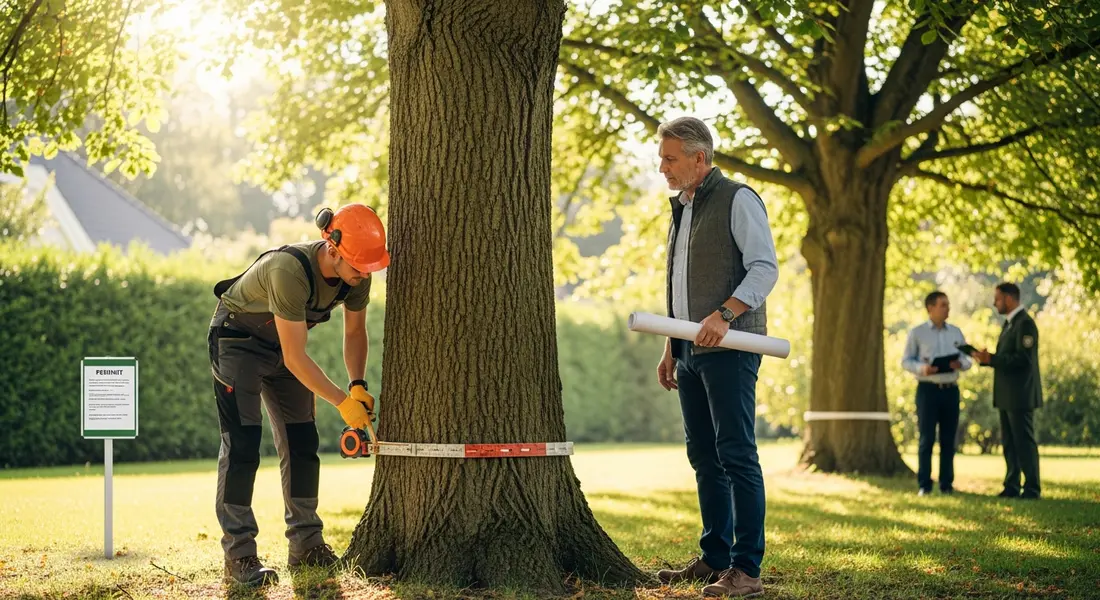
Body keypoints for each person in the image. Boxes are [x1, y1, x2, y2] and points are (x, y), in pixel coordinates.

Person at [208, 203, 389, 585]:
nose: (364, 275)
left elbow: (355, 333)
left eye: (369, 268)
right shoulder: (288, 270)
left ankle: (306, 544)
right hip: (238, 341)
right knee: (242, 444)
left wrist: (357, 386)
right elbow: (295, 356)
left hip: (284, 349)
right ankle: (239, 556)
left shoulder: (358, 273)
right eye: (358, 266)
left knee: (303, 441)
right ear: (334, 249)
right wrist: (342, 402)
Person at [653, 117, 778, 599]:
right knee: (704, 456)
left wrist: (726, 314)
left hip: (732, 348)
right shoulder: (682, 208)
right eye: (662, 158)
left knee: (736, 455)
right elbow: (680, 284)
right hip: (689, 351)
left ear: (699, 158)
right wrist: (671, 345)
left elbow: (764, 268)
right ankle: (715, 557)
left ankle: (746, 569)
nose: (661, 167)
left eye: (670, 158)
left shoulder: (738, 199)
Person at [970, 282, 1042, 500]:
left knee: (1023, 442)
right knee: (1009, 443)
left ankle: (1031, 487)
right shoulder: (1009, 324)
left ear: (1009, 299)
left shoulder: (1025, 324)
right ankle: (1012, 484)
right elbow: (1006, 358)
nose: (994, 303)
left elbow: (1023, 360)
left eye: (998, 299)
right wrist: (987, 359)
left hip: (1020, 395)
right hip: (1006, 395)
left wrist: (992, 359)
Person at [901, 291, 973, 496]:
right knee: (926, 439)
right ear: (930, 308)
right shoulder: (917, 333)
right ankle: (924, 484)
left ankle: (946, 484)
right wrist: (923, 369)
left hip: (950, 390)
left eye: (948, 305)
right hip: (927, 390)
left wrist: (961, 364)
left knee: (949, 439)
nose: (947, 308)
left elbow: (968, 359)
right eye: (943, 305)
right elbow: (906, 361)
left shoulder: (956, 332)